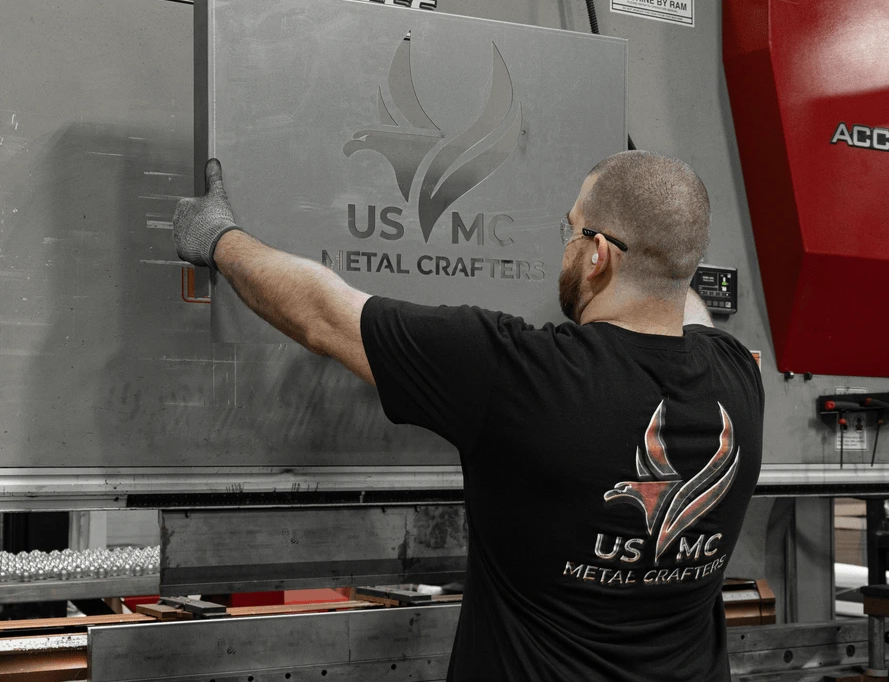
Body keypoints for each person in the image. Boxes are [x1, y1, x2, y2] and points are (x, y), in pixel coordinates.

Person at [173, 150, 764, 682]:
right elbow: (685, 304)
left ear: (597, 256)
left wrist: (218, 237)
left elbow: (322, 314)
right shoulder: (740, 380)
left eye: (570, 229)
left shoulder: (517, 375)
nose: (565, 243)